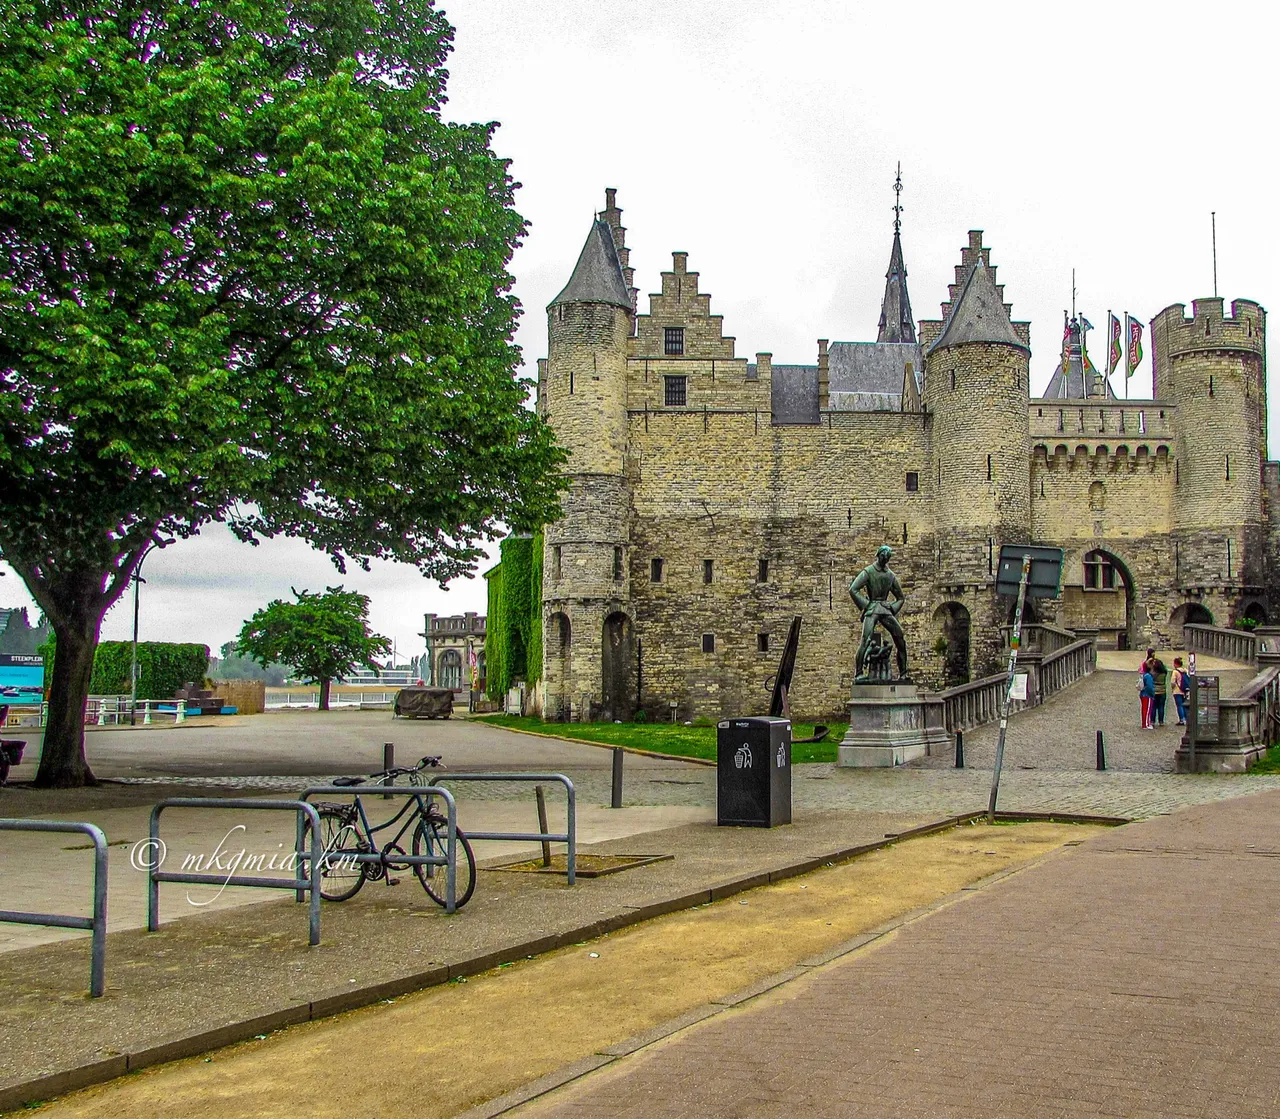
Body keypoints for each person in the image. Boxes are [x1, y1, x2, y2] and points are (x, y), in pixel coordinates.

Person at [849, 544, 909, 682]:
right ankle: (858, 673)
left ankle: (904, 672)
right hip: (872, 608)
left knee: (899, 635)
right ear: (879, 556)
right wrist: (866, 605)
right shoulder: (868, 572)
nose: (885, 559)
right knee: (866, 639)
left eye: (887, 557)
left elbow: (900, 597)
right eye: (884, 556)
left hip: (885, 608)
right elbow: (853, 589)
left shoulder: (890, 575)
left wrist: (892, 609)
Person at [1151, 655, 1169, 726]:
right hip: (1162, 691)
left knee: (1154, 707)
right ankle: (1161, 721)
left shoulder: (1153, 674)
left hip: (1155, 691)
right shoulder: (1164, 673)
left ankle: (1152, 721)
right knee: (1161, 707)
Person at [1171, 657, 1190, 725]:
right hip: (1185, 691)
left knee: (1179, 705)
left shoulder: (1175, 672)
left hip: (1177, 691)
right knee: (1185, 705)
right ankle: (1187, 718)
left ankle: (1182, 719)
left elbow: (1173, 682)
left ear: (1176, 664)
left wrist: (1172, 688)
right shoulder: (1185, 671)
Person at [1138, 660, 1155, 729]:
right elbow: (1150, 687)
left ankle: (1145, 723)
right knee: (1147, 710)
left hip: (1143, 694)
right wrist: (1152, 694)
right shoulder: (1148, 676)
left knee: (1144, 709)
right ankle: (1146, 724)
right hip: (1147, 695)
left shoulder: (1144, 675)